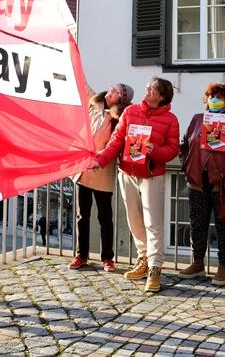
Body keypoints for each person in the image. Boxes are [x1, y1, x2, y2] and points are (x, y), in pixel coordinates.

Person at [90, 77, 180, 293]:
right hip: (127, 172)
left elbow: (173, 149)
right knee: (134, 220)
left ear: (162, 96)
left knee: (153, 222)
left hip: (151, 175)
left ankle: (155, 268)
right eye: (147, 86)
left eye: (152, 89)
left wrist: (154, 151)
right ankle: (143, 259)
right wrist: (100, 160)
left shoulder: (170, 119)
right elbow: (115, 142)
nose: (147, 89)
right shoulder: (130, 113)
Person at [178, 82, 225, 286]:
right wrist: (187, 165)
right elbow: (184, 144)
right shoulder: (197, 119)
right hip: (198, 182)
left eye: (219, 97)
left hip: (223, 183)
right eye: (211, 96)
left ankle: (224, 266)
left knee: (224, 225)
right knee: (197, 224)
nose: (214, 100)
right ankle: (198, 262)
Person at [69, 83, 133, 272]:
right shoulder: (94, 103)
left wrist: (100, 158)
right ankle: (81, 255)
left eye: (115, 92)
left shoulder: (119, 118)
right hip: (84, 169)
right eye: (111, 89)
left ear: (120, 100)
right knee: (82, 215)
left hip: (103, 171)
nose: (110, 91)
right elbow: (83, 84)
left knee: (105, 217)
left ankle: (108, 258)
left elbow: (115, 144)